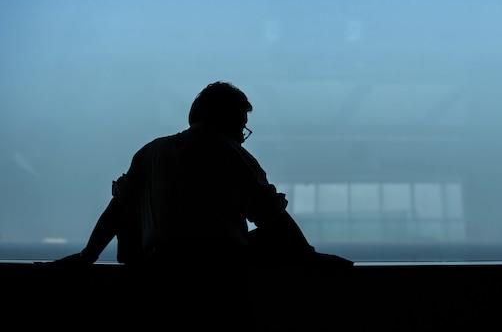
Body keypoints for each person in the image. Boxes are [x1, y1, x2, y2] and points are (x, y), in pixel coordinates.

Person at [50, 81, 352, 327]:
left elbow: (118, 210)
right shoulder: (233, 154)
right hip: (219, 276)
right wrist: (310, 256)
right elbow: (272, 217)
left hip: (159, 273)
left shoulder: (150, 152)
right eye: (241, 127)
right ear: (230, 122)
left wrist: (87, 256)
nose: (242, 137)